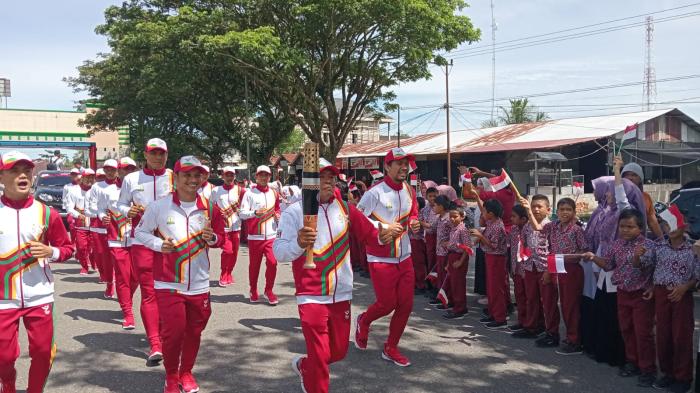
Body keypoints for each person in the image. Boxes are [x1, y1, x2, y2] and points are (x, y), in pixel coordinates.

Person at [273, 158, 387, 393]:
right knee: (319, 354)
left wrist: (385, 233)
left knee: (336, 352)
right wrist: (297, 243)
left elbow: (369, 232)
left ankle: (306, 367)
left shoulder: (344, 208)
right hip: (311, 294)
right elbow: (279, 251)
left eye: (330, 177)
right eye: (321, 177)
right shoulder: (294, 212)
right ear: (308, 181)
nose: (327, 182)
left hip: (341, 292)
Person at [135, 155, 225, 393]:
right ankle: (172, 376)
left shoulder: (210, 207)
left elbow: (221, 237)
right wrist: (158, 245)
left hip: (199, 283)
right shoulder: (159, 206)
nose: (192, 180)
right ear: (176, 178)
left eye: (197, 175)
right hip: (168, 282)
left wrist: (213, 238)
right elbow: (140, 232)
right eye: (187, 175)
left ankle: (186, 372)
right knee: (174, 334)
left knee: (195, 331)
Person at [0, 151, 74, 393]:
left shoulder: (46, 213)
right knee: (3, 357)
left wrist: (50, 251)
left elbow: (68, 249)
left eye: (26, 171)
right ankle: (8, 385)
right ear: (2, 176)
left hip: (39, 296)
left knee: (43, 352)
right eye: (14, 171)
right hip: (3, 299)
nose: (22, 175)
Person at [354, 147, 420, 367]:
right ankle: (364, 320)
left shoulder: (409, 191)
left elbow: (413, 214)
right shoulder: (374, 193)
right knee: (387, 303)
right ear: (387, 166)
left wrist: (414, 223)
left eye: (406, 164)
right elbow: (356, 220)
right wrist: (382, 226)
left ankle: (391, 347)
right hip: (381, 258)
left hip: (405, 256)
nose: (404, 167)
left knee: (406, 305)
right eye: (399, 163)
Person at [583, 209, 656, 387]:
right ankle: (632, 362)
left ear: (640, 227)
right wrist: (593, 257)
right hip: (621, 292)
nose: (625, 230)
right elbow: (608, 265)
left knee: (642, 332)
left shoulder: (647, 245)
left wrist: (638, 257)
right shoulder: (616, 245)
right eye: (622, 226)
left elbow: (644, 267)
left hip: (641, 295)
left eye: (630, 227)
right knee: (626, 329)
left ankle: (648, 369)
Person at [117, 137, 173, 366]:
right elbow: (120, 204)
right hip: (142, 243)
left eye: (162, 153)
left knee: (168, 293)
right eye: (154, 153)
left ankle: (165, 335)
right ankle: (155, 344)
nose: (158, 157)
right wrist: (127, 211)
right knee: (149, 292)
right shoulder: (131, 178)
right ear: (146, 155)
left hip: (170, 243)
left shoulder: (173, 176)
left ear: (167, 155)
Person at [638, 214, 699, 393]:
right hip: (661, 294)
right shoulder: (659, 247)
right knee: (663, 335)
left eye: (675, 225)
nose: (670, 229)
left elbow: (697, 276)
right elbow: (646, 267)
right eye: (667, 225)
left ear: (685, 227)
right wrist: (640, 257)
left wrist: (685, 287)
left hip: (681, 295)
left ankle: (683, 376)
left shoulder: (692, 249)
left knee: (681, 337)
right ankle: (667, 373)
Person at [521, 196, 589, 354]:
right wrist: (528, 211)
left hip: (570, 269)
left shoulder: (576, 229)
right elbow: (538, 227)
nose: (565, 212)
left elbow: (584, 251)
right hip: (553, 266)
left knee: (569, 306)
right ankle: (553, 333)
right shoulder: (553, 226)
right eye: (562, 209)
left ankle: (574, 340)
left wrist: (568, 257)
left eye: (568, 209)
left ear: (574, 211)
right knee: (552, 301)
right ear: (556, 211)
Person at [93, 157, 139, 328]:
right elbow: (100, 208)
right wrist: (102, 216)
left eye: (131, 169)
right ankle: (128, 312)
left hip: (138, 239)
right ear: (119, 170)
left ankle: (126, 299)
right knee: (122, 277)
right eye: (124, 169)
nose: (127, 172)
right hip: (116, 239)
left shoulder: (140, 189)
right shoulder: (107, 190)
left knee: (135, 277)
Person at [512, 195, 557, 340]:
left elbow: (553, 250)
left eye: (539, 206)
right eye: (533, 207)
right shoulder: (526, 227)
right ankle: (532, 326)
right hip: (530, 267)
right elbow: (524, 246)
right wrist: (524, 265)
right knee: (531, 298)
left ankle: (552, 332)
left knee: (548, 301)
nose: (536, 209)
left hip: (545, 268)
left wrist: (549, 271)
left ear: (548, 209)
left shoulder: (551, 226)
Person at [239, 165, 281, 305]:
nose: (264, 177)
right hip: (255, 236)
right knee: (254, 265)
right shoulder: (249, 193)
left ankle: (269, 290)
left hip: (271, 235)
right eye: (261, 175)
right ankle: (253, 289)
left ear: (270, 177)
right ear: (256, 176)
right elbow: (242, 214)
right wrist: (254, 213)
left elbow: (277, 209)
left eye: (266, 175)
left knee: (273, 262)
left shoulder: (274, 193)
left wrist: (278, 215)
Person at [470, 195, 508, 330]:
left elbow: (494, 245)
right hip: (490, 257)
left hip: (497, 258)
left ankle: (500, 317)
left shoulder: (498, 226)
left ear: (491, 214)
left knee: (497, 288)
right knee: (491, 288)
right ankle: (493, 313)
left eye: (484, 212)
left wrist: (480, 236)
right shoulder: (491, 222)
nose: (483, 214)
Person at [86, 160, 119, 297]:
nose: (110, 172)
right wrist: (102, 215)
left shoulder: (124, 186)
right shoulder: (97, 187)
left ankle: (120, 284)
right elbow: (91, 208)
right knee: (103, 258)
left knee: (118, 258)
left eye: (113, 169)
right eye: (107, 169)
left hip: (119, 228)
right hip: (100, 228)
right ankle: (109, 283)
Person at [211, 166, 244, 287]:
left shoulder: (241, 191)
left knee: (234, 252)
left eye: (231, 175)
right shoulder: (216, 191)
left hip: (236, 226)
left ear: (234, 176)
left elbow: (245, 207)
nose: (229, 177)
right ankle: (223, 273)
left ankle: (229, 272)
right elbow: (211, 207)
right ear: (222, 176)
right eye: (227, 175)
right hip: (223, 227)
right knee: (227, 251)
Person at [618, 158, 663, 239]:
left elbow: (652, 221)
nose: (630, 178)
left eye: (634, 175)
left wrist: (661, 240)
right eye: (626, 175)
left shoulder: (645, 197)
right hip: (619, 242)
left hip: (639, 243)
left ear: (640, 179)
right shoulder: (616, 197)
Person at [507, 204, 534, 333]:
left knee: (530, 297)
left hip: (527, 269)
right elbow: (512, 249)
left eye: (514, 216)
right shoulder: (513, 229)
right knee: (519, 296)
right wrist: (512, 268)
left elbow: (530, 251)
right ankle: (521, 321)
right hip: (516, 268)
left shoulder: (529, 230)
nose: (511, 218)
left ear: (523, 219)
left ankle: (531, 323)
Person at [442, 205, 472, 320]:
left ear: (462, 217)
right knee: (454, 284)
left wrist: (460, 261)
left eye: (455, 216)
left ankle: (460, 309)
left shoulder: (463, 229)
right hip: (452, 256)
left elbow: (467, 247)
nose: (452, 219)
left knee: (458, 284)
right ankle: (456, 305)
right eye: (450, 217)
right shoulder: (453, 228)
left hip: (460, 257)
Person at [65, 168, 96, 275]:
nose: (89, 180)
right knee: (82, 247)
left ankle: (93, 261)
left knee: (94, 247)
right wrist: (78, 215)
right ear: (82, 178)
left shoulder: (96, 189)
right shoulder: (73, 190)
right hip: (81, 224)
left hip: (95, 224)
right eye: (87, 177)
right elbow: (69, 207)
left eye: (92, 177)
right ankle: (84, 266)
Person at [429, 195, 452, 307]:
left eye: (435, 205)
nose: (433, 207)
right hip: (439, 251)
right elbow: (431, 227)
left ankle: (447, 300)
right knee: (440, 275)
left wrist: (449, 243)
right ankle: (440, 296)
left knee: (445, 276)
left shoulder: (449, 219)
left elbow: (456, 232)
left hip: (446, 252)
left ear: (441, 207)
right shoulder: (440, 218)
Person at [419, 186, 439, 287]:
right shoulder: (424, 210)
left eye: (434, 196)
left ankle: (437, 284)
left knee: (438, 261)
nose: (432, 198)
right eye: (430, 196)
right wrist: (423, 224)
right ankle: (431, 284)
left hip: (439, 237)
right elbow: (420, 220)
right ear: (426, 197)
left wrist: (426, 224)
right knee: (430, 259)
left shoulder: (440, 208)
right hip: (428, 237)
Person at [409, 197, 428, 293]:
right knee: (413, 264)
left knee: (419, 264)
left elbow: (426, 226)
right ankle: (415, 283)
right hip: (411, 240)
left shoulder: (422, 214)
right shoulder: (411, 213)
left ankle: (421, 284)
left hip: (418, 241)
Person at [62, 168, 81, 244]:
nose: (74, 176)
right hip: (71, 211)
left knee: (81, 229)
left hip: (80, 210)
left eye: (76, 174)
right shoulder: (67, 186)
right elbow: (64, 198)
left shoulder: (82, 186)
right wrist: (67, 209)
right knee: (72, 227)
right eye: (72, 174)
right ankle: (73, 244)